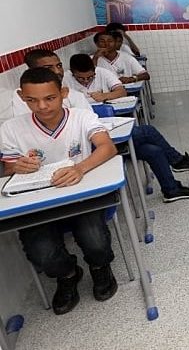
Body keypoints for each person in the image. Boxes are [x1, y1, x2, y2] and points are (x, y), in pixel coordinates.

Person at [3, 67, 119, 315]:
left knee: (95, 241)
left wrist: (80, 168)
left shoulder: (81, 117)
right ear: (22, 97)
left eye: (50, 98)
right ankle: (68, 274)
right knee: (42, 253)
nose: (42, 106)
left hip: (81, 197)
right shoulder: (11, 128)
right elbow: (8, 167)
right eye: (32, 100)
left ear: (63, 93)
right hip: (37, 203)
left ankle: (100, 267)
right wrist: (16, 167)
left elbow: (107, 147)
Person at [63, 53, 189, 202]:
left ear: (94, 70)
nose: (86, 81)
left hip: (103, 128)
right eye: (81, 79)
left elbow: (121, 91)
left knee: (154, 151)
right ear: (72, 73)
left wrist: (104, 96)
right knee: (148, 131)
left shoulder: (101, 73)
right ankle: (177, 161)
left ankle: (171, 190)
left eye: (90, 77)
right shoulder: (64, 87)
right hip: (90, 145)